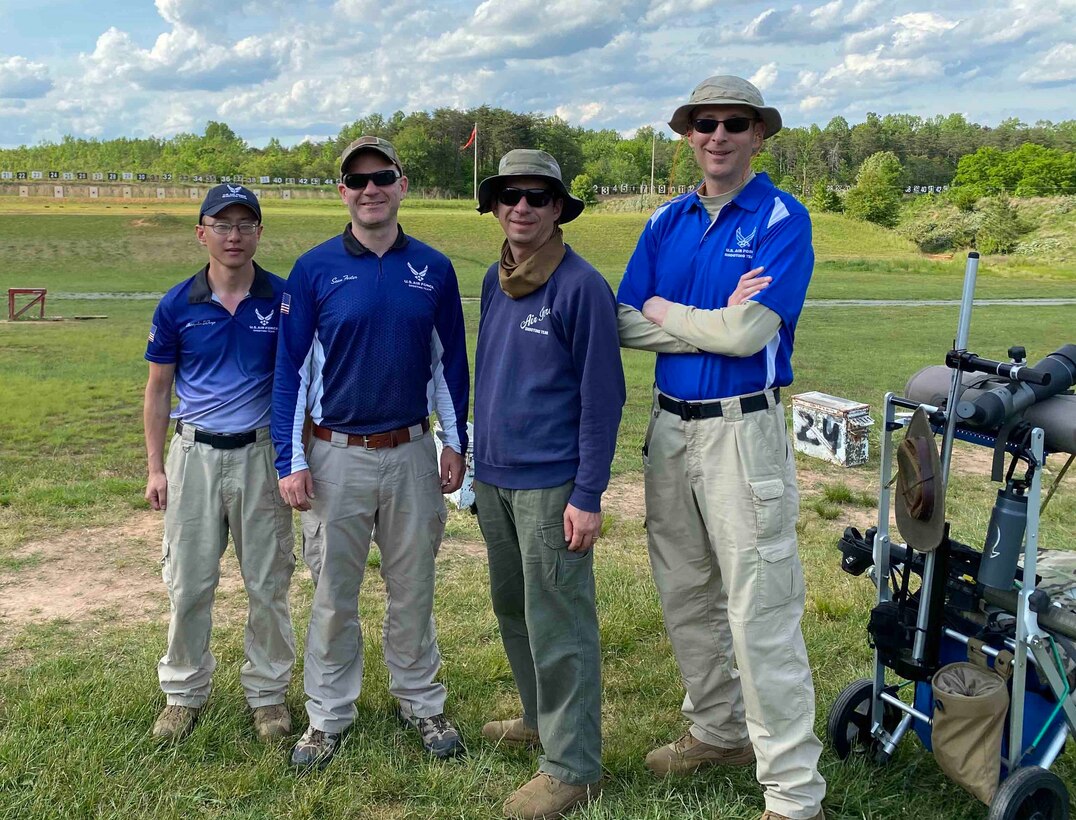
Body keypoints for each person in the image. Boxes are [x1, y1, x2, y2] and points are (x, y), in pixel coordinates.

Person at [617, 76, 826, 820]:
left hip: (745, 430)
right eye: (704, 123)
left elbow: (748, 336)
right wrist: (707, 317)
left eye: (735, 123)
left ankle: (794, 793)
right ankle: (718, 731)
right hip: (670, 427)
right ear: (687, 135)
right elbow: (620, 322)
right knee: (685, 592)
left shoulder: (782, 217)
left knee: (759, 606)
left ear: (758, 134)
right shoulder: (664, 221)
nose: (718, 135)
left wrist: (667, 310)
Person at [272, 136, 469, 769]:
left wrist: (453, 442)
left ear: (402, 184)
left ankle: (421, 701)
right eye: (357, 181)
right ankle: (328, 714)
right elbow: (292, 370)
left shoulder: (434, 269)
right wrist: (290, 459)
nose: (370, 189)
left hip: (412, 452)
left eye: (382, 177)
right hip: (336, 457)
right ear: (343, 193)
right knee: (334, 592)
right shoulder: (315, 268)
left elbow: (450, 366)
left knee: (414, 587)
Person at [472, 150, 625, 819]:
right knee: (514, 610)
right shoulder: (491, 278)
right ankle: (540, 721)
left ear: (559, 208)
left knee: (559, 624)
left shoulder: (580, 286)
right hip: (495, 479)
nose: (523, 208)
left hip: (551, 486)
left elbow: (603, 397)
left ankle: (574, 766)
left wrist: (588, 494)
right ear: (496, 207)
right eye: (510, 196)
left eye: (539, 197)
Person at [143, 184, 295, 743]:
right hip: (195, 456)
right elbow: (158, 391)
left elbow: (298, 383)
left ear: (259, 232)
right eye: (222, 224)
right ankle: (182, 693)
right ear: (201, 232)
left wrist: (293, 459)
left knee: (268, 581)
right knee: (188, 583)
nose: (234, 236)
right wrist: (156, 467)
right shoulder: (177, 304)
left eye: (245, 224)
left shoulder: (282, 300)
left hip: (260, 456)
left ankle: (269, 695)